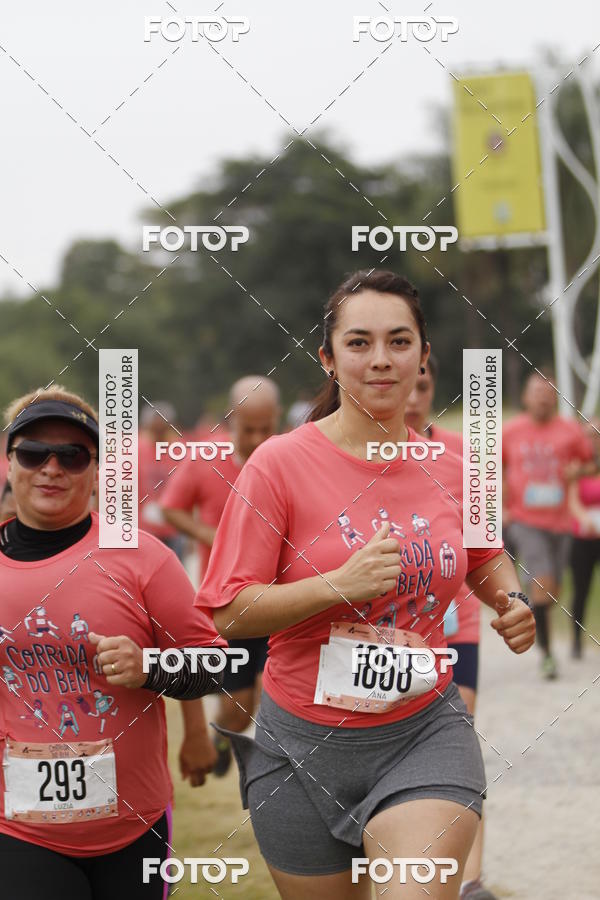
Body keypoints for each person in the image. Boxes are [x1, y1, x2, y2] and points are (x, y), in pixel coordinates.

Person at [196, 270, 535, 900]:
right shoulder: (278, 465)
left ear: (423, 355)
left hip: (425, 734)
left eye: (399, 341)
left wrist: (509, 600)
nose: (380, 359)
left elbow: (486, 555)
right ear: (329, 358)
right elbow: (229, 614)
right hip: (299, 746)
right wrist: (335, 585)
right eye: (358, 343)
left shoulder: (458, 466)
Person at [0, 387, 226, 900]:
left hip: (133, 829)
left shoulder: (141, 558)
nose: (51, 468)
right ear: (10, 462)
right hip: (18, 830)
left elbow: (215, 665)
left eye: (73, 455)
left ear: (98, 469)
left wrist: (150, 667)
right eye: (34, 453)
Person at [405, 356, 495, 900]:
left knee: (457, 739)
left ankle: (470, 879)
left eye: (425, 384)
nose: (414, 396)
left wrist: (508, 600)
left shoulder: (461, 455)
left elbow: (487, 546)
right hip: (384, 635)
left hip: (456, 624)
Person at [162, 376, 281, 776]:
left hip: (287, 598)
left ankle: (278, 775)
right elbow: (171, 508)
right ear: (232, 420)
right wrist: (211, 535)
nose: (258, 437)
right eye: (249, 429)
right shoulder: (203, 459)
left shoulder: (287, 457)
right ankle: (220, 739)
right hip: (234, 602)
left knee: (277, 692)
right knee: (239, 708)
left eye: (266, 428)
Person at [503, 371, 594, 679]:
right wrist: (502, 508)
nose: (541, 399)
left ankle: (539, 610)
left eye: (547, 394)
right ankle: (547, 655)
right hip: (526, 520)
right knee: (541, 584)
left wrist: (576, 472)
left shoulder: (570, 432)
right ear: (526, 398)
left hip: (561, 522)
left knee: (551, 591)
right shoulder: (511, 431)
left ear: (554, 399)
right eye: (536, 394)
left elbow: (589, 465)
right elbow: (494, 470)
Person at [567, 418, 600, 658]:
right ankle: (577, 639)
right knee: (581, 590)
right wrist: (584, 519)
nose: (594, 439)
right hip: (583, 536)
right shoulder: (577, 466)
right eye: (590, 434)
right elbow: (572, 500)